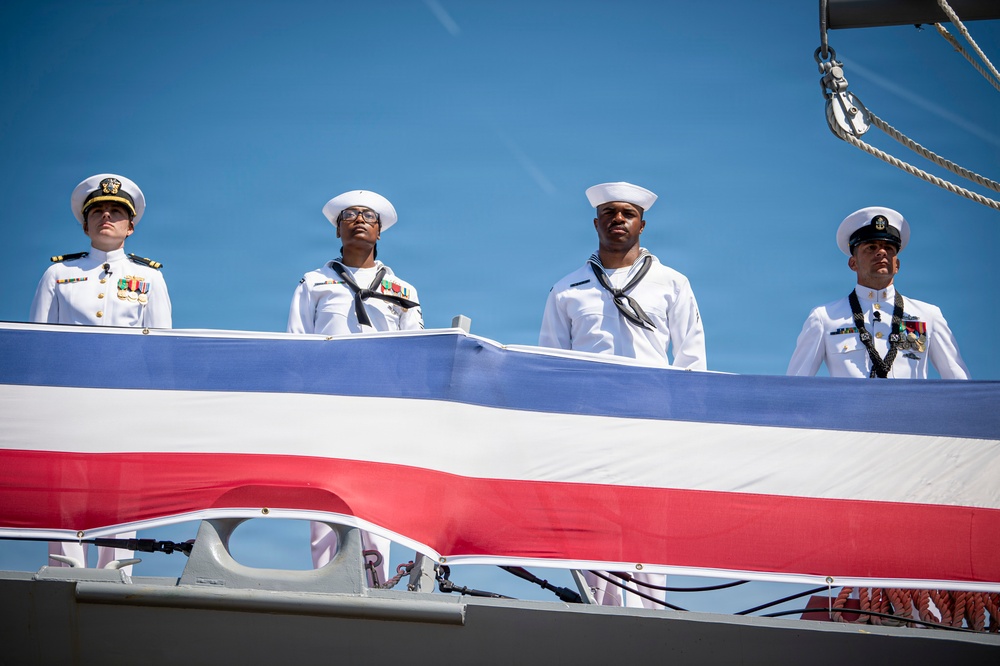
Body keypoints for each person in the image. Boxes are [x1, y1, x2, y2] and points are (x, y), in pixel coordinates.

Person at [539, 181, 707, 609]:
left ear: (642, 225)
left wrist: (689, 424)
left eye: (627, 214)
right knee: (592, 521)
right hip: (589, 424)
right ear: (596, 223)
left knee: (648, 521)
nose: (618, 220)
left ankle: (649, 620)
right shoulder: (567, 288)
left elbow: (691, 358)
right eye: (610, 213)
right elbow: (551, 365)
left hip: (651, 420)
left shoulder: (671, 282)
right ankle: (598, 615)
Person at [30, 173, 171, 571]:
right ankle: (64, 567)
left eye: (116, 212)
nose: (106, 216)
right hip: (68, 399)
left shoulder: (150, 277)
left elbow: (160, 351)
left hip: (125, 399)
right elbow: (37, 348)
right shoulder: (57, 275)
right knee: (67, 486)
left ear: (131, 225)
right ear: (85, 223)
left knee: (121, 486)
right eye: (98, 211)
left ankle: (118, 572)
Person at [287, 189, 422, 584]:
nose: (359, 220)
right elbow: (296, 346)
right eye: (349, 215)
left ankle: (376, 588)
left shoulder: (403, 291)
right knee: (324, 496)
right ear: (337, 231)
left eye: (368, 216)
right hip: (326, 406)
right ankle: (325, 583)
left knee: (380, 499)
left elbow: (414, 357)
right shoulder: (314, 282)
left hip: (381, 407)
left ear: (379, 232)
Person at [787, 206, 969, 379]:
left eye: (889, 248)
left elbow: (959, 381)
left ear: (897, 265)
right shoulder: (825, 317)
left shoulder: (928, 315)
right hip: (851, 412)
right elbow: (795, 385)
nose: (881, 252)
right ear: (853, 263)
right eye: (870, 248)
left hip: (911, 412)